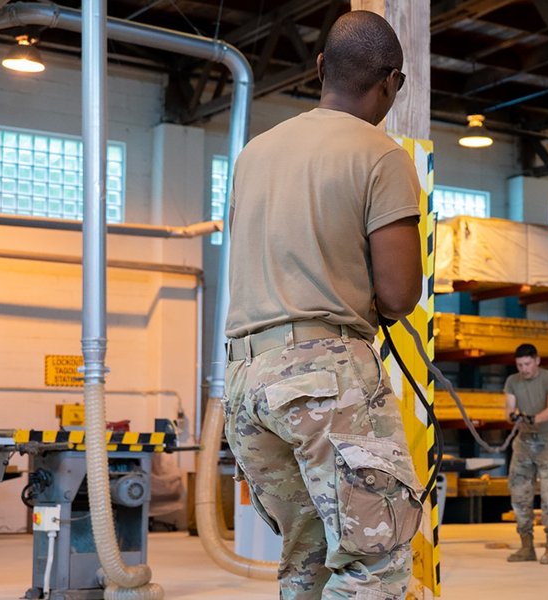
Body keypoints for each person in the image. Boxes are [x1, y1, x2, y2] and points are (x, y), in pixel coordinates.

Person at [222, 10, 424, 600]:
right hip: (325, 380)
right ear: (392, 82)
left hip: (246, 383)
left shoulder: (255, 154)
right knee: (375, 564)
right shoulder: (381, 155)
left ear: (319, 68)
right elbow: (399, 293)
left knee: (307, 560)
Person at [503, 343, 548, 565]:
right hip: (524, 443)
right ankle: (526, 546)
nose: (524, 369)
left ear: (537, 361)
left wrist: (532, 419)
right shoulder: (512, 381)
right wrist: (512, 416)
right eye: (520, 365)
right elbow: (509, 407)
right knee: (519, 494)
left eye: (527, 364)